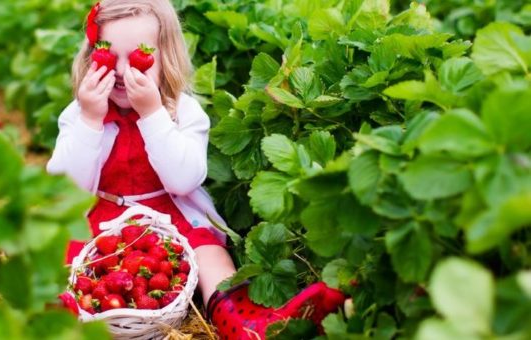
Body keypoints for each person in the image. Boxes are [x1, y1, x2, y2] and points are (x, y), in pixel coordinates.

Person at [46, 1, 345, 338]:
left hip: (170, 214)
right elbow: (67, 188)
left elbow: (183, 179)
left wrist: (152, 114)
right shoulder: (79, 113)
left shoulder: (182, 111)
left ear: (166, 57)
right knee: (65, 251)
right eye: (108, 55)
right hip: (102, 216)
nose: (121, 70)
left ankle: (245, 323)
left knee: (212, 255)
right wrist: (89, 119)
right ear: (90, 59)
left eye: (140, 56)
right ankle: (61, 310)